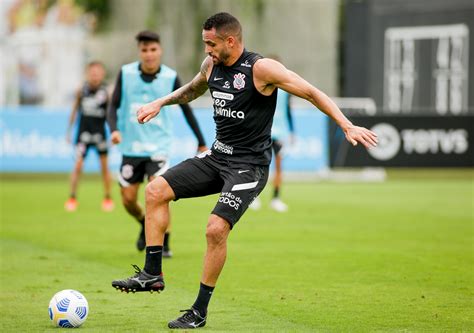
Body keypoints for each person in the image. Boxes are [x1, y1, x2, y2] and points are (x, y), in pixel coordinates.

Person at [111, 13, 377, 329]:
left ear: (231, 41)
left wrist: (345, 124)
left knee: (215, 229)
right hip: (217, 157)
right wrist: (160, 103)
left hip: (249, 167)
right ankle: (152, 274)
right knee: (155, 190)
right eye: (204, 43)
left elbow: (310, 92)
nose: (206, 50)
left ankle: (198, 311)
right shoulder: (211, 66)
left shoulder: (260, 69)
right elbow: (193, 90)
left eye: (211, 44)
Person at [107, 30, 207, 255]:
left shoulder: (170, 77)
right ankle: (144, 222)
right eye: (145, 50)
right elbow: (112, 106)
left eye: (153, 50)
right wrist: (113, 130)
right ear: (139, 52)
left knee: (158, 194)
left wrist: (201, 141)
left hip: (158, 148)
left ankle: (165, 242)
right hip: (131, 147)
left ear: (160, 51)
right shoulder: (126, 73)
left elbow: (187, 109)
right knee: (128, 200)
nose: (149, 54)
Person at [65, 61, 113, 212]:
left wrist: (113, 132)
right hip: (83, 135)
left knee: (104, 168)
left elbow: (111, 114)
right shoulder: (81, 90)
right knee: (78, 166)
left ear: (102, 74)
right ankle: (72, 197)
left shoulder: (106, 92)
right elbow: (74, 111)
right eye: (92, 73)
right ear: (88, 74)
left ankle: (107, 198)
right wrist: (68, 131)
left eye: (98, 73)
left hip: (100, 135)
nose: (95, 76)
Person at [250, 58, 295, 212]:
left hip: (279, 133)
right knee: (257, 166)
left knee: (278, 167)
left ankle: (276, 198)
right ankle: (253, 197)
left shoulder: (285, 89)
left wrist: (292, 132)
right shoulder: (260, 86)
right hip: (263, 131)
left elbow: (288, 112)